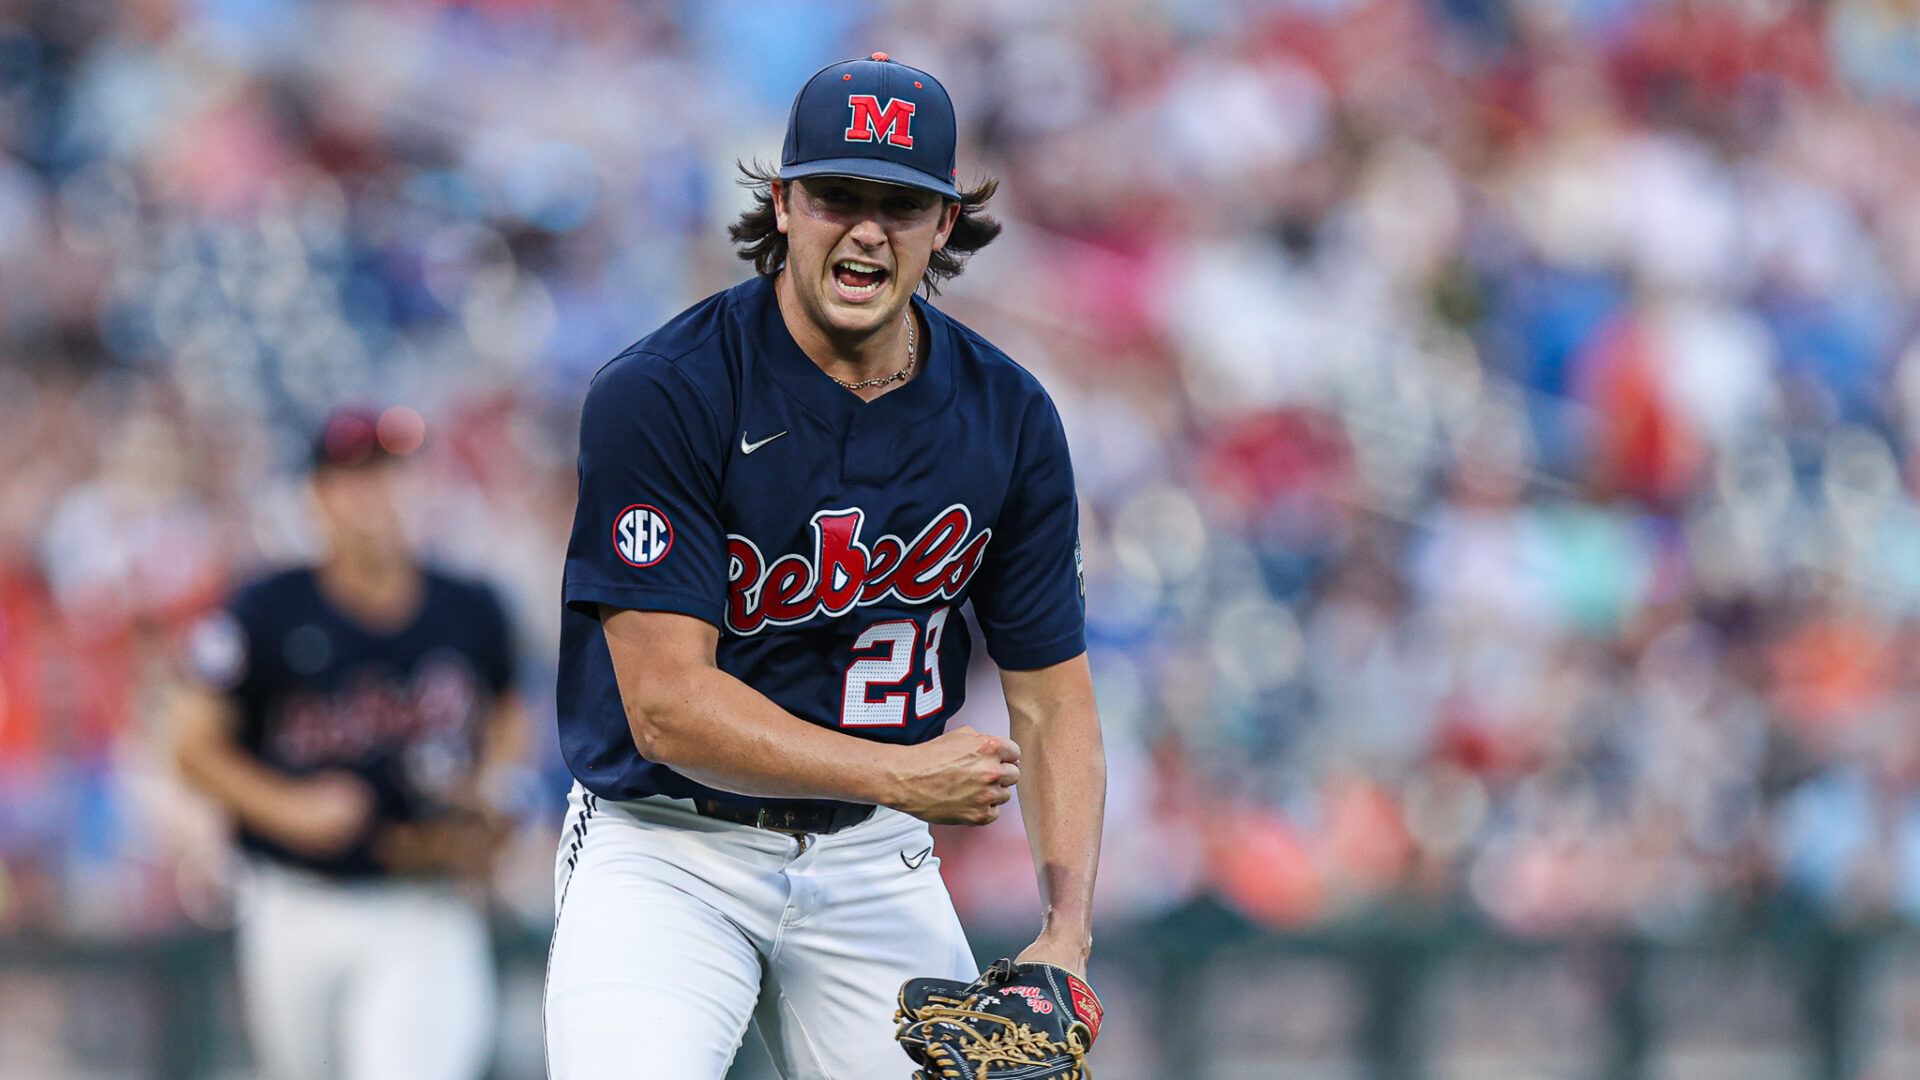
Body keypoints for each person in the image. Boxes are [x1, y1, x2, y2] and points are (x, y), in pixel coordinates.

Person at [544, 53, 1105, 1080]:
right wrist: (898, 772)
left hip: (872, 856)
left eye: (901, 204)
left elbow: (1053, 700)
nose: (866, 230)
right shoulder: (668, 391)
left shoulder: (1009, 416)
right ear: (783, 202)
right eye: (839, 195)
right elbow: (666, 709)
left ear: (945, 223)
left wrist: (1064, 934)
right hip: (669, 847)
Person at [174, 407, 527, 1080]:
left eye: (393, 476)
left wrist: (490, 787)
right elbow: (191, 746)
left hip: (426, 902)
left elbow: (511, 714)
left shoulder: (472, 606)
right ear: (317, 496)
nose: (378, 496)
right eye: (357, 479)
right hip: (296, 901)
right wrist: (287, 807)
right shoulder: (265, 608)